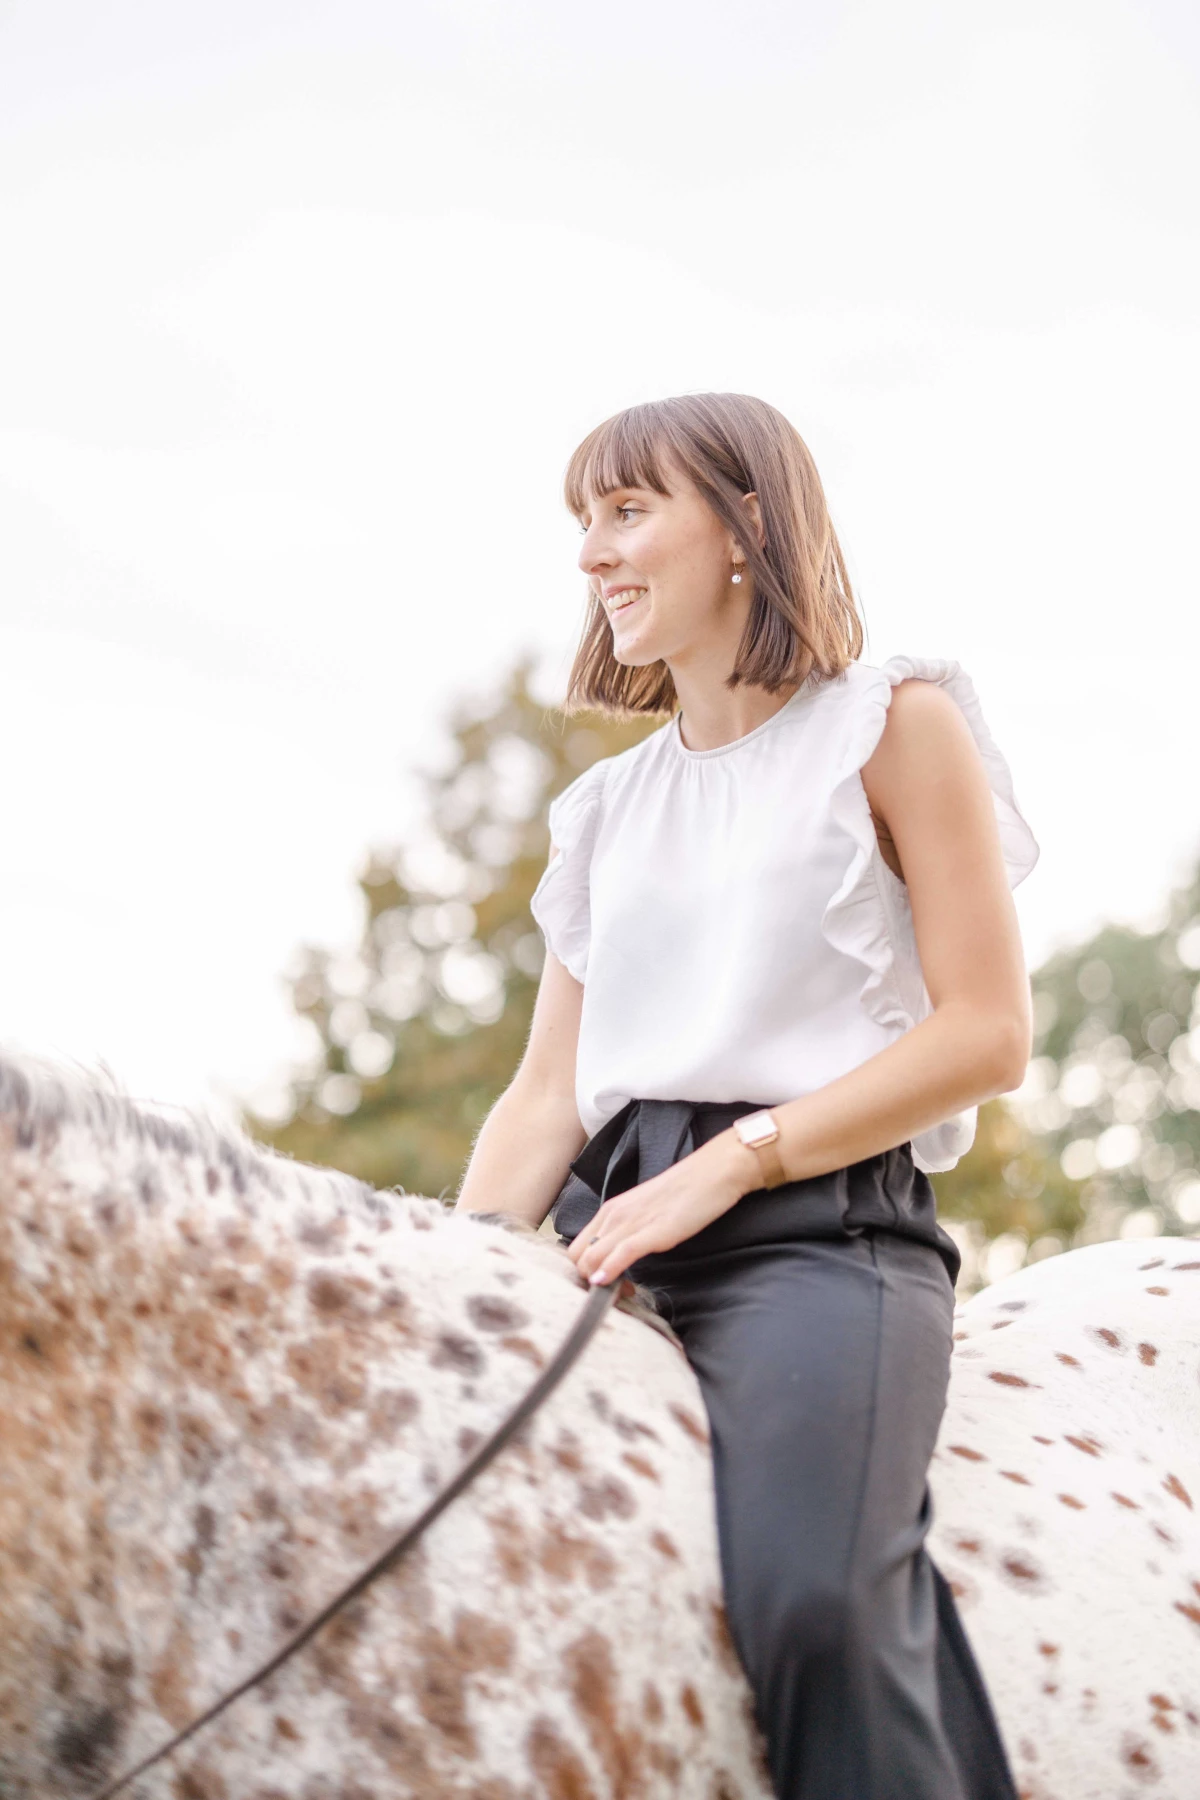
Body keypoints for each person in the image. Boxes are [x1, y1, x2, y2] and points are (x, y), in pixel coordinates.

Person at [455, 391, 1038, 1799]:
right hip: (605, 1234)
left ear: (748, 528)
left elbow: (987, 1032)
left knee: (817, 1607)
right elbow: (547, 1099)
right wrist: (449, 1279)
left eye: (628, 510)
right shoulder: (604, 812)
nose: (595, 553)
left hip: (819, 1240)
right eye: (584, 523)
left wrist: (740, 1161)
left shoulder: (893, 723)